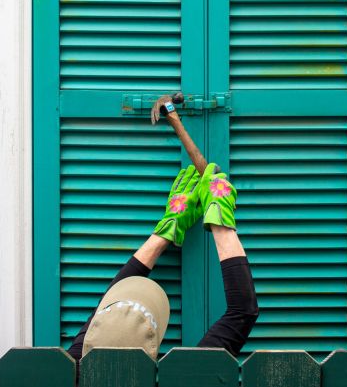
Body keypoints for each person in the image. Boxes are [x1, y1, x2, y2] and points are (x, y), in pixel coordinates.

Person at [67, 95, 259, 361]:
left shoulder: (74, 367)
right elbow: (243, 311)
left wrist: (169, 227)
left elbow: (108, 314)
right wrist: (220, 218)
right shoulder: (181, 381)